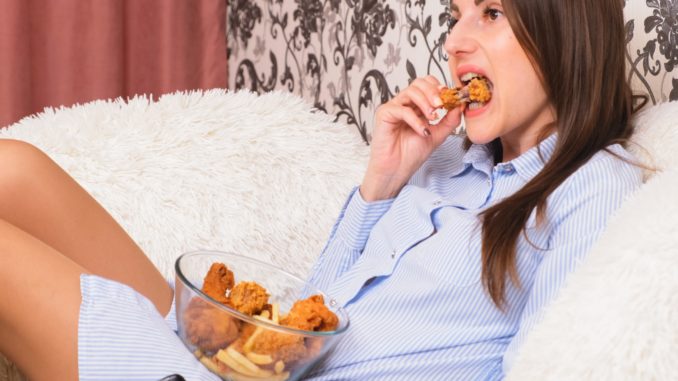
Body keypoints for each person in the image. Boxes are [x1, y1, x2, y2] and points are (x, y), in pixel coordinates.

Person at [0, 0, 643, 380]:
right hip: (249, 362)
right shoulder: (445, 160)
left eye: (493, 12)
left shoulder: (596, 189)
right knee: (15, 168)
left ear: (568, 31)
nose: (456, 40)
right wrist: (382, 183)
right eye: (457, 15)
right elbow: (315, 315)